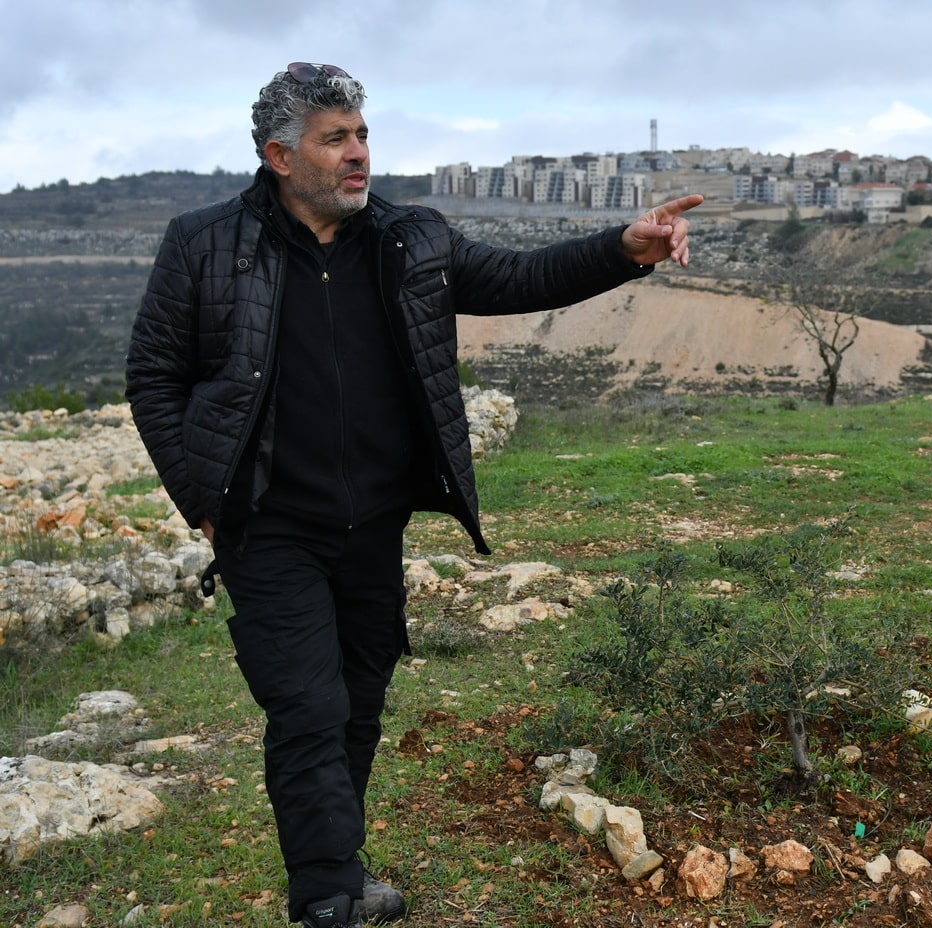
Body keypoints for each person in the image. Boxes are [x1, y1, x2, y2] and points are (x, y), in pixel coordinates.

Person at [125, 62, 701, 928]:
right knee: (308, 703)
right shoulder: (204, 244)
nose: (359, 154)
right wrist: (200, 496)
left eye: (361, 134)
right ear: (281, 156)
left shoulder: (409, 238)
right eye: (336, 139)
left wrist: (622, 250)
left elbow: (517, 280)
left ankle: (339, 870)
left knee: (357, 700)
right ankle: (324, 895)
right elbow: (154, 377)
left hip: (372, 524)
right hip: (267, 523)